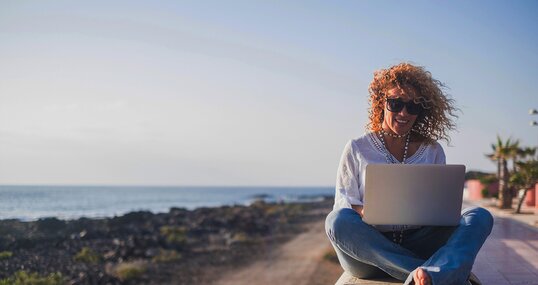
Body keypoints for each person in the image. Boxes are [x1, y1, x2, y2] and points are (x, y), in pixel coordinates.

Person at [325, 63, 493, 285]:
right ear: (381, 103)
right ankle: (435, 273)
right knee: (336, 221)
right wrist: (372, 211)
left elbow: (441, 207)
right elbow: (343, 203)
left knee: (480, 217)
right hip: (370, 252)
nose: (404, 113)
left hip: (420, 241)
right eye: (396, 103)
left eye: (413, 107)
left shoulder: (433, 150)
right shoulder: (357, 148)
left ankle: (428, 275)